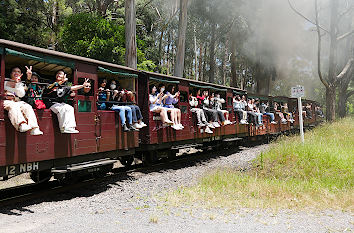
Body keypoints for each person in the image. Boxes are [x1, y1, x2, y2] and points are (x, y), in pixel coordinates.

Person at [3, 66, 43, 135]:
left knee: (27, 107)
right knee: (13, 106)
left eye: (18, 72)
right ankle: (21, 124)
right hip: (5, 101)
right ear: (11, 73)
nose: (16, 73)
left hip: (16, 101)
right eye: (14, 71)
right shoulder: (4, 81)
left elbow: (21, 94)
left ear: (21, 74)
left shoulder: (21, 84)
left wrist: (17, 83)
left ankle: (34, 128)